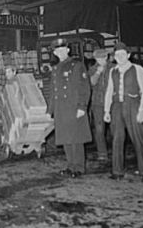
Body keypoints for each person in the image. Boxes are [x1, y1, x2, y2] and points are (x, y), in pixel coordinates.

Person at [104, 42, 143, 181]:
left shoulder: (137, 69)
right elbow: (109, 91)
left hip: (133, 105)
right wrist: (107, 111)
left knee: (138, 137)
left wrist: (142, 110)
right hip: (117, 107)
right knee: (117, 138)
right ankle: (117, 171)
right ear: (114, 57)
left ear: (128, 55)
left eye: (123, 54)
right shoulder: (113, 71)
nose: (120, 57)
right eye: (117, 55)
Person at [46, 38, 92, 178]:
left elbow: (85, 87)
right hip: (61, 108)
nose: (60, 52)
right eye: (57, 50)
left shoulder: (77, 65)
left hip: (74, 106)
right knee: (66, 138)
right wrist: (50, 111)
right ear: (55, 52)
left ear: (68, 50)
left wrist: (82, 107)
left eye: (63, 50)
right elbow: (53, 91)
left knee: (76, 138)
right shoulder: (55, 68)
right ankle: (70, 166)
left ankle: (79, 167)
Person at [88, 48, 113, 162]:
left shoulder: (113, 68)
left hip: (113, 102)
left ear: (106, 57)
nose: (100, 60)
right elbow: (91, 83)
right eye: (98, 58)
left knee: (115, 128)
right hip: (97, 103)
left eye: (103, 57)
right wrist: (98, 72)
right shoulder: (92, 69)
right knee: (99, 130)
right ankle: (102, 153)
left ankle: (117, 151)